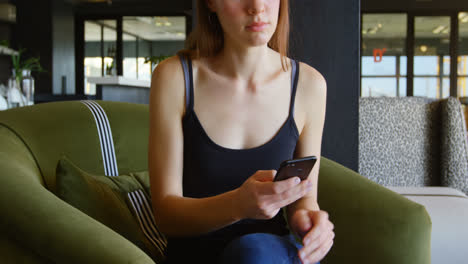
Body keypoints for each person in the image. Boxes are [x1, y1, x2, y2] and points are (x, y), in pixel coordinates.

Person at [148, 0, 334, 263]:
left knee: (256, 252)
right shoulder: (175, 77)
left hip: (271, 255)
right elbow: (166, 215)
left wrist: (311, 224)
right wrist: (237, 205)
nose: (257, 6)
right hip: (196, 257)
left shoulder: (309, 85)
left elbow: (303, 201)